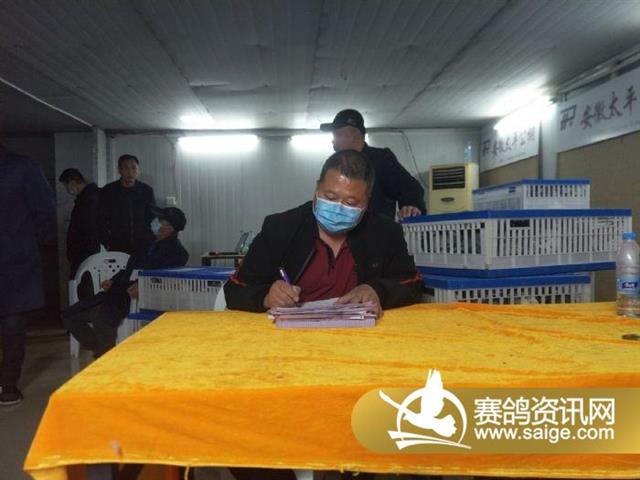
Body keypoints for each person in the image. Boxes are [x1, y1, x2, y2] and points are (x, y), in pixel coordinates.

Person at [224, 149, 422, 318]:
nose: (338, 207)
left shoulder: (385, 232)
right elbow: (235, 289)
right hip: (289, 339)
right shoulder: (280, 228)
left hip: (360, 337)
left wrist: (377, 290)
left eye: (351, 203)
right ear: (316, 190)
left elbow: (413, 285)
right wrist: (267, 296)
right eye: (330, 197)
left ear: (366, 203)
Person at [65, 207, 189, 358]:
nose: (159, 225)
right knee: (71, 314)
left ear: (172, 229)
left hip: (134, 295)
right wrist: (112, 280)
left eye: (165, 223)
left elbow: (166, 278)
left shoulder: (177, 252)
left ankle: (104, 355)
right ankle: (101, 348)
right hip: (117, 289)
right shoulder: (146, 243)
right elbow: (129, 268)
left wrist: (142, 286)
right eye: (159, 221)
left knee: (101, 316)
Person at [0, 145, 56, 406]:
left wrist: (26, 244)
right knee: (12, 323)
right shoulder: (22, 167)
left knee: (12, 324)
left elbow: (45, 213)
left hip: (14, 261)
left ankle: (8, 384)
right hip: (16, 256)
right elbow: (45, 214)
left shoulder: (22, 167)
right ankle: (7, 385)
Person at [320, 108, 426, 220]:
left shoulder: (380, 159)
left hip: (374, 229)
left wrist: (411, 208)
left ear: (353, 135)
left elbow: (410, 187)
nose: (333, 142)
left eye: (336, 135)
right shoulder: (335, 164)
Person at [97, 154, 155, 254]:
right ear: (119, 170)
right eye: (126, 168)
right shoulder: (109, 191)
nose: (130, 172)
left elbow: (152, 216)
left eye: (134, 168)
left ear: (138, 170)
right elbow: (100, 218)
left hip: (142, 243)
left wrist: (151, 239)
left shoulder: (146, 191)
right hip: (117, 244)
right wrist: (106, 241)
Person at [59, 168, 101, 278]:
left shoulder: (89, 199)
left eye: (66, 185)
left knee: (81, 283)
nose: (67, 189)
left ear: (72, 182)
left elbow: (89, 228)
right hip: (85, 252)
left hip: (85, 252)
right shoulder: (86, 198)